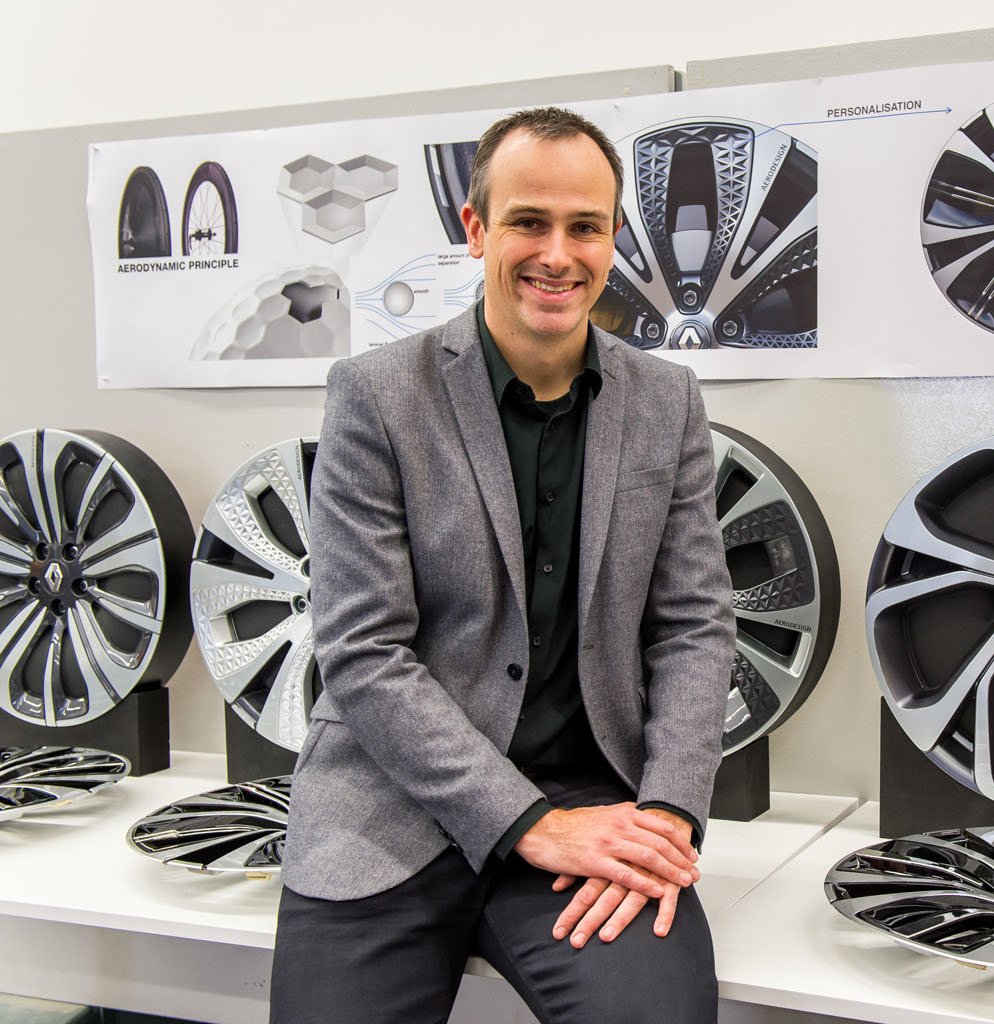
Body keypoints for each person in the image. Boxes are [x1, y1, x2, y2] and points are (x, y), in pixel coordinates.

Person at [268, 106, 735, 1024]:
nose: (558, 254)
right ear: (477, 228)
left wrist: (669, 813)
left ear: (613, 237)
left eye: (584, 227)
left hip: (589, 800)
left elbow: (695, 624)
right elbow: (362, 651)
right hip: (389, 801)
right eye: (529, 222)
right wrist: (526, 823)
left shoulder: (666, 400)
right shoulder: (376, 396)